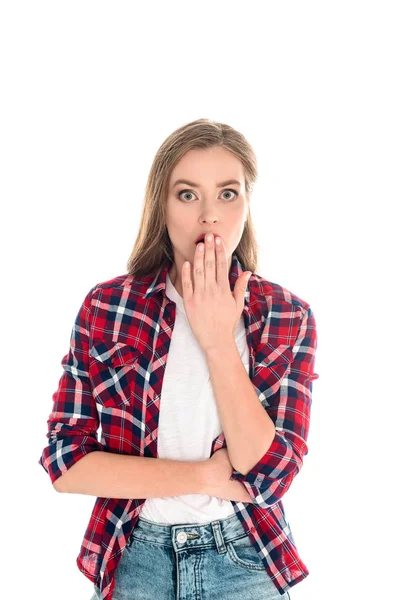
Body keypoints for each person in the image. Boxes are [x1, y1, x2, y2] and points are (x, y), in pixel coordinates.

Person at [39, 118, 319, 600]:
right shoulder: (108, 307)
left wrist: (216, 341)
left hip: (245, 557)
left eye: (227, 194)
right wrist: (206, 478)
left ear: (246, 206)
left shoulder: (285, 315)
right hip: (135, 555)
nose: (209, 215)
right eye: (187, 194)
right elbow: (67, 463)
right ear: (161, 207)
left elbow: (271, 474)